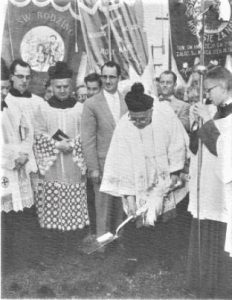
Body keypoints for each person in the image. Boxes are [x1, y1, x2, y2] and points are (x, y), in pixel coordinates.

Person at [100, 82, 189, 275]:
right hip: (136, 178)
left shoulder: (165, 117)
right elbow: (120, 161)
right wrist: (129, 195)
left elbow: (177, 143)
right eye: (135, 119)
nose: (139, 122)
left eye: (143, 118)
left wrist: (175, 172)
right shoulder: (124, 126)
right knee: (134, 216)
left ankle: (165, 255)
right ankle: (135, 256)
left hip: (162, 176)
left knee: (164, 217)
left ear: (151, 110)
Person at [33, 61, 89, 263]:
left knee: (73, 203)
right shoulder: (43, 109)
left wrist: (73, 144)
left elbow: (86, 134)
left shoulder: (81, 109)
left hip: (74, 164)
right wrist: (56, 145)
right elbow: (38, 134)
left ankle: (73, 245)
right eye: (59, 87)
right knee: (53, 204)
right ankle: (53, 247)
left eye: (66, 86)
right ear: (52, 87)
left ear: (71, 86)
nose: (63, 90)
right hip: (53, 165)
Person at [187, 66, 232, 298]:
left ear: (224, 87)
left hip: (223, 189)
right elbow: (197, 147)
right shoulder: (213, 110)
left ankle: (221, 286)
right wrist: (196, 125)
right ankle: (203, 283)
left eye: (210, 89)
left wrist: (206, 121)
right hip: (206, 185)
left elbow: (224, 150)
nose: (207, 95)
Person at [81, 61, 128, 247]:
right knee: (102, 206)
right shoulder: (91, 104)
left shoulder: (126, 100)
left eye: (112, 77)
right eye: (104, 76)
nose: (108, 81)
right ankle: (102, 245)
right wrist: (93, 168)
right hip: (102, 164)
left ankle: (119, 240)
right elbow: (88, 139)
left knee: (121, 204)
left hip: (123, 163)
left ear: (119, 78)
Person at [1, 59, 39, 269]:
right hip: (4, 169)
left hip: (18, 166)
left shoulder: (13, 106)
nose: (4, 92)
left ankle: (21, 258)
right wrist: (10, 159)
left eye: (6, 88)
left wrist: (23, 154)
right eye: (1, 88)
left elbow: (28, 132)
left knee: (20, 213)